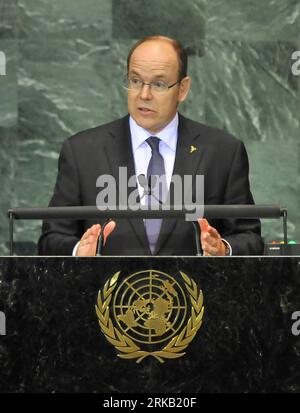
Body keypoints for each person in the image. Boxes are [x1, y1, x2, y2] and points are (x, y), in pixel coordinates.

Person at [38, 35, 264, 256]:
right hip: (108, 290)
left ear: (182, 89)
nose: (144, 95)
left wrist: (223, 249)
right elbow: (51, 239)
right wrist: (79, 250)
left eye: (158, 84)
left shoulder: (222, 152)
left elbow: (249, 236)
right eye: (135, 81)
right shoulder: (82, 151)